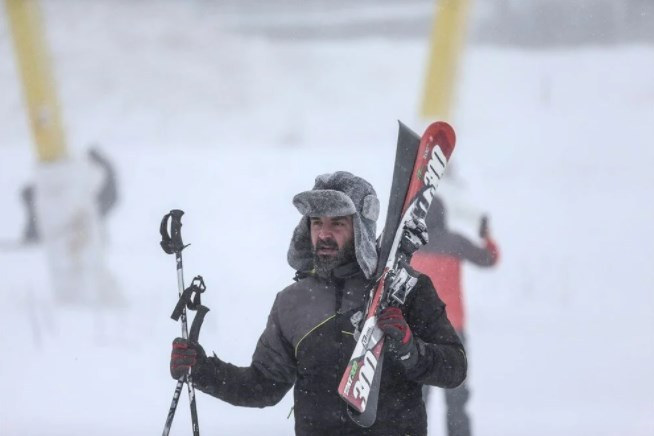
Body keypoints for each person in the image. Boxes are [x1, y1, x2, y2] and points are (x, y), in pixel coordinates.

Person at [170, 171, 467, 435]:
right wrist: (202, 370)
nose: (323, 234)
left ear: (361, 228)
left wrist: (410, 349)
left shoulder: (407, 288)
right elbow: (263, 386)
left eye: (337, 223)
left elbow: (455, 369)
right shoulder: (292, 303)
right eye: (316, 223)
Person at [411, 196, 499, 436]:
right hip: (453, 329)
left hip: (420, 331)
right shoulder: (455, 242)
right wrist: (486, 235)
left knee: (418, 397)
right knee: (456, 395)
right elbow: (489, 259)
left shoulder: (412, 245)